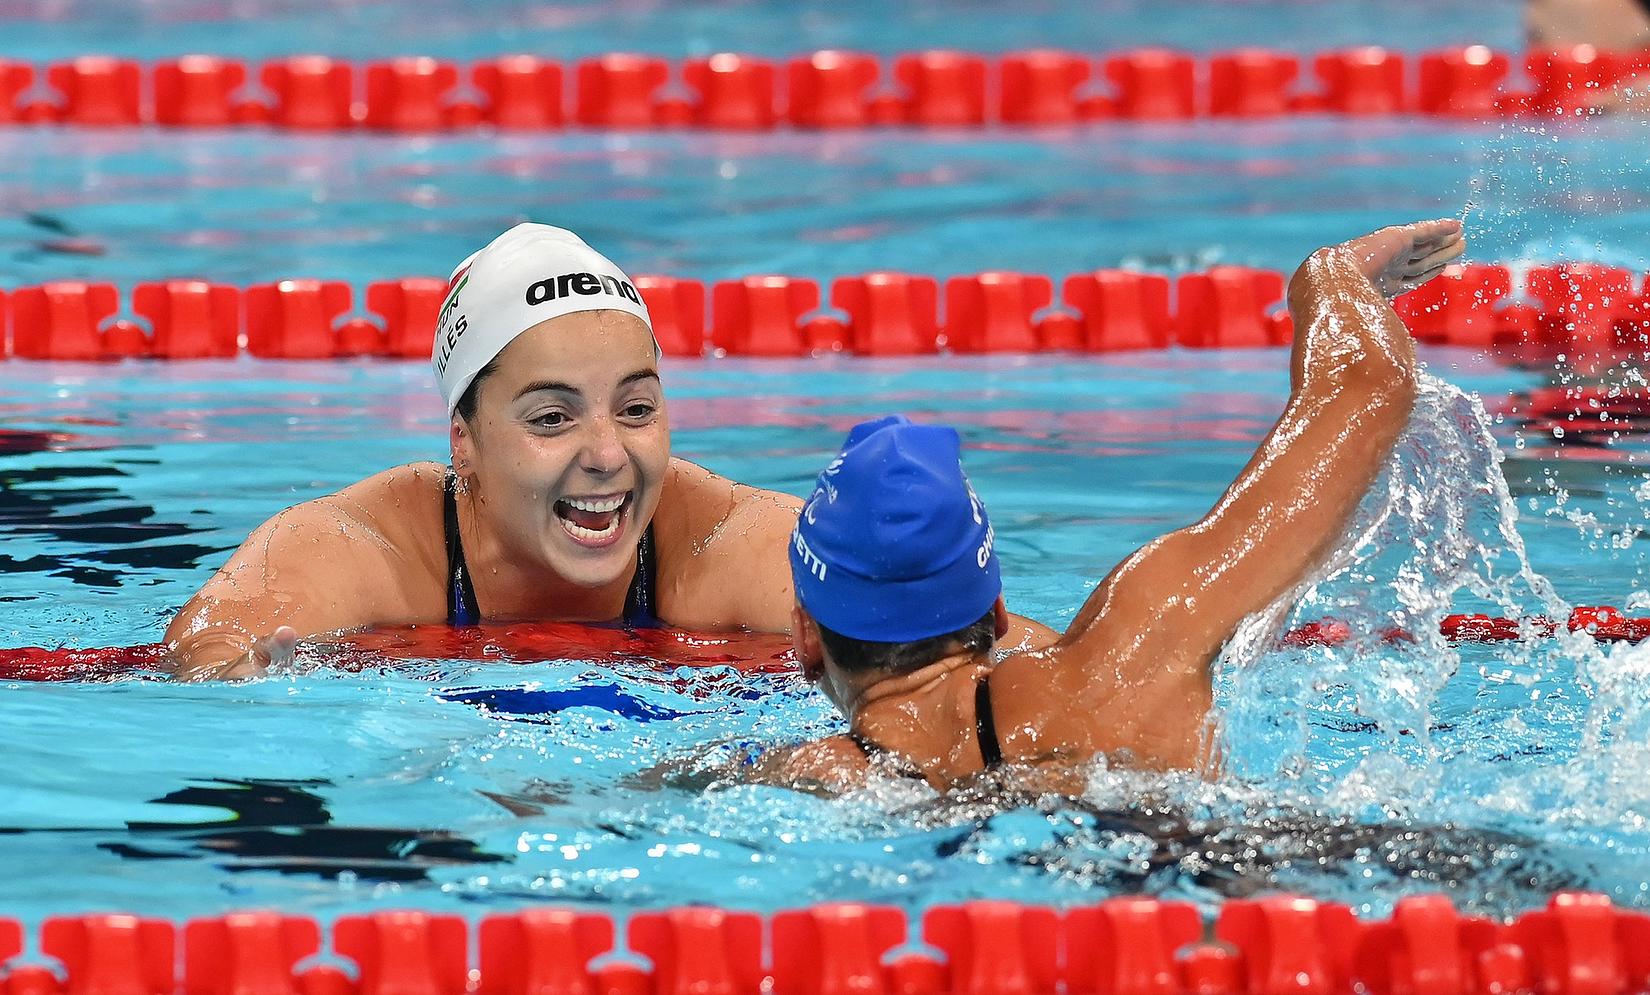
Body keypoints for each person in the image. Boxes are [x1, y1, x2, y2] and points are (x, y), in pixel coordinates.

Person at [758, 219, 1466, 793]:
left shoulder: (812, 776)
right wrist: (1330, 279)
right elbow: (1364, 390)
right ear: (997, 610)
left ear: (806, 638)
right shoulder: (1136, 653)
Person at [167, 224, 1056, 680]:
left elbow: (1004, 660)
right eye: (553, 417)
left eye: (636, 408)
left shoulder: (729, 544)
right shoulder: (370, 548)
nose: (607, 454)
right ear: (463, 441)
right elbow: (208, 647)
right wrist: (243, 689)